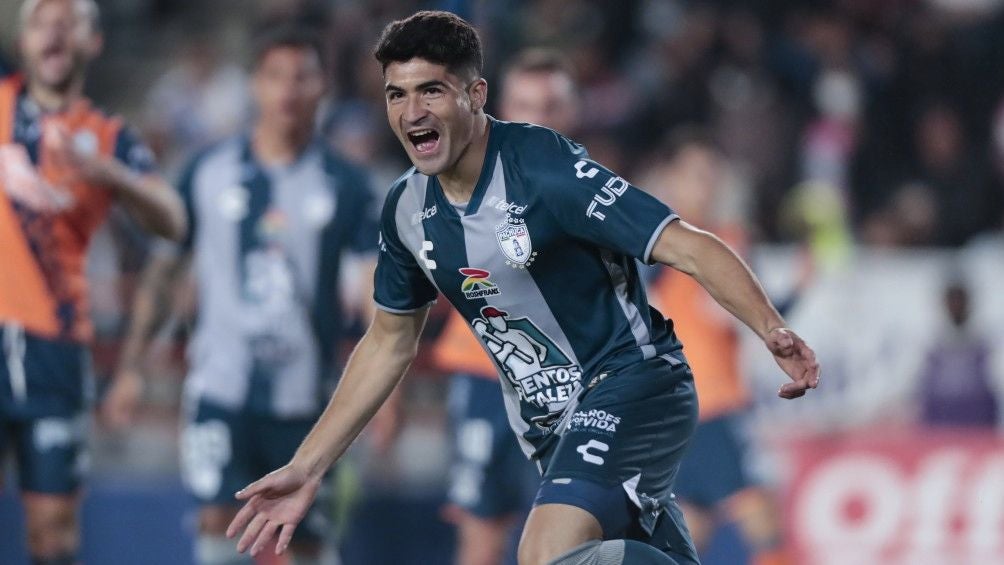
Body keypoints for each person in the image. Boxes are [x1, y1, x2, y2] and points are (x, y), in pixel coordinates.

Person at [226, 11, 819, 565]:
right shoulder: (406, 209)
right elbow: (388, 341)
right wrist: (308, 467)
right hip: (548, 427)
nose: (412, 111)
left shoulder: (542, 165)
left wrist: (770, 326)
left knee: (542, 555)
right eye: (396, 94)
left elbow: (686, 243)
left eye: (431, 90)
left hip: (632, 386)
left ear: (475, 95)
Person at [113, 25, 377, 565]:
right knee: (218, 521)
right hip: (220, 388)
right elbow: (165, 272)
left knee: (305, 538)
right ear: (255, 85)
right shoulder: (207, 171)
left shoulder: (346, 184)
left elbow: (374, 291)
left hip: (309, 399)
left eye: (303, 75)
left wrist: (383, 390)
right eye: (276, 75)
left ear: (323, 84)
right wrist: (131, 366)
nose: (289, 90)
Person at [0, 0, 186, 563]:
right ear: (23, 41)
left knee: (52, 534)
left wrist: (110, 176)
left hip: (54, 347)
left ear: (94, 41)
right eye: (40, 19)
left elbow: (172, 219)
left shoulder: (107, 136)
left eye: (70, 19)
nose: (54, 28)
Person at [432, 48, 581, 565]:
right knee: (480, 533)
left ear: (573, 111)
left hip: (565, 384)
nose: (540, 117)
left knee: (567, 535)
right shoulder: (459, 179)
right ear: (500, 107)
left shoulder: (595, 192)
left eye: (553, 104)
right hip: (482, 378)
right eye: (527, 103)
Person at [643, 129, 793, 565]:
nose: (705, 185)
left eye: (711, 175)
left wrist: (795, 293)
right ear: (668, 178)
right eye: (694, 174)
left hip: (693, 408)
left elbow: (751, 313)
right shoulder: (653, 242)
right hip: (707, 406)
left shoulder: (726, 237)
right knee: (763, 522)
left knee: (690, 531)